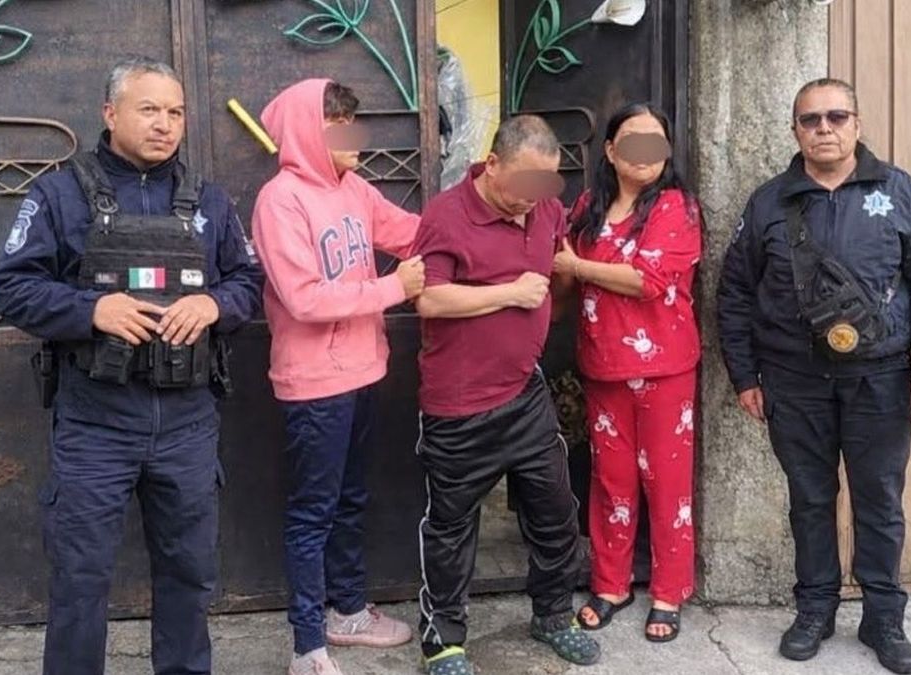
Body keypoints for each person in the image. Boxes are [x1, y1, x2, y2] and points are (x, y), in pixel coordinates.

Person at [0, 56, 263, 675]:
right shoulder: (59, 195)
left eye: (176, 112)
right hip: (96, 423)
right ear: (110, 113)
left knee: (190, 573)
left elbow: (249, 282)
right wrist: (92, 310)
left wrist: (213, 304)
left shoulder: (210, 201)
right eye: (149, 109)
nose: (165, 124)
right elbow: (13, 287)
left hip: (188, 422)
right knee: (80, 579)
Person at [716, 78, 911, 675]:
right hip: (792, 380)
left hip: (880, 379)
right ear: (795, 130)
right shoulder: (768, 203)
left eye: (836, 116)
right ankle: (815, 609)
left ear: (857, 123)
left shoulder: (899, 192)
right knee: (809, 500)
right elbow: (735, 294)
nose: (823, 128)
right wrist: (745, 375)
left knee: (880, 501)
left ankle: (883, 618)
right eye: (810, 119)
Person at [412, 115, 601, 675]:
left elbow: (555, 264)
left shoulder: (545, 209)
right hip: (458, 406)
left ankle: (553, 615)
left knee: (556, 513)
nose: (533, 196)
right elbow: (430, 300)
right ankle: (443, 642)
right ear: (492, 164)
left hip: (524, 392)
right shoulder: (446, 215)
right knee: (451, 531)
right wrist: (510, 293)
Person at [250, 78, 422, 675]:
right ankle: (307, 646)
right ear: (306, 134)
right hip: (315, 383)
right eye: (338, 128)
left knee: (350, 499)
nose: (354, 138)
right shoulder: (280, 200)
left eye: (353, 124)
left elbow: (411, 232)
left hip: (363, 370)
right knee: (313, 513)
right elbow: (303, 298)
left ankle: (347, 612)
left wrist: (480, 207)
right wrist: (394, 287)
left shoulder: (354, 188)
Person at [552, 103, 702, 642]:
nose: (644, 152)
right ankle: (611, 583)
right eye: (632, 141)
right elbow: (563, 276)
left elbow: (648, 279)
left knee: (666, 483)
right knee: (610, 481)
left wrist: (576, 267)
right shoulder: (587, 206)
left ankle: (669, 591)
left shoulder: (677, 207)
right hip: (603, 365)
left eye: (655, 141)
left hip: (664, 368)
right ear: (612, 151)